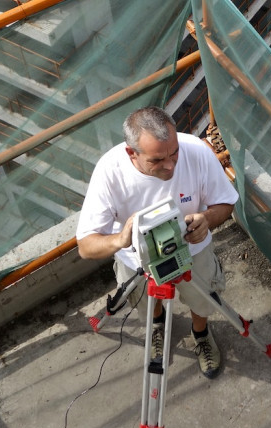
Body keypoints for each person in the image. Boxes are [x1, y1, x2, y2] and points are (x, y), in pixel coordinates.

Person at [76, 106, 239, 379]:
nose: (171, 165)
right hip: (138, 263)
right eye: (157, 160)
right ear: (132, 153)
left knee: (202, 299)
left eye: (174, 153)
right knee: (147, 304)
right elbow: (86, 245)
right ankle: (157, 327)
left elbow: (226, 203)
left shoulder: (196, 151)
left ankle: (201, 333)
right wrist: (120, 239)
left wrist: (207, 219)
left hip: (193, 252)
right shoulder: (109, 172)